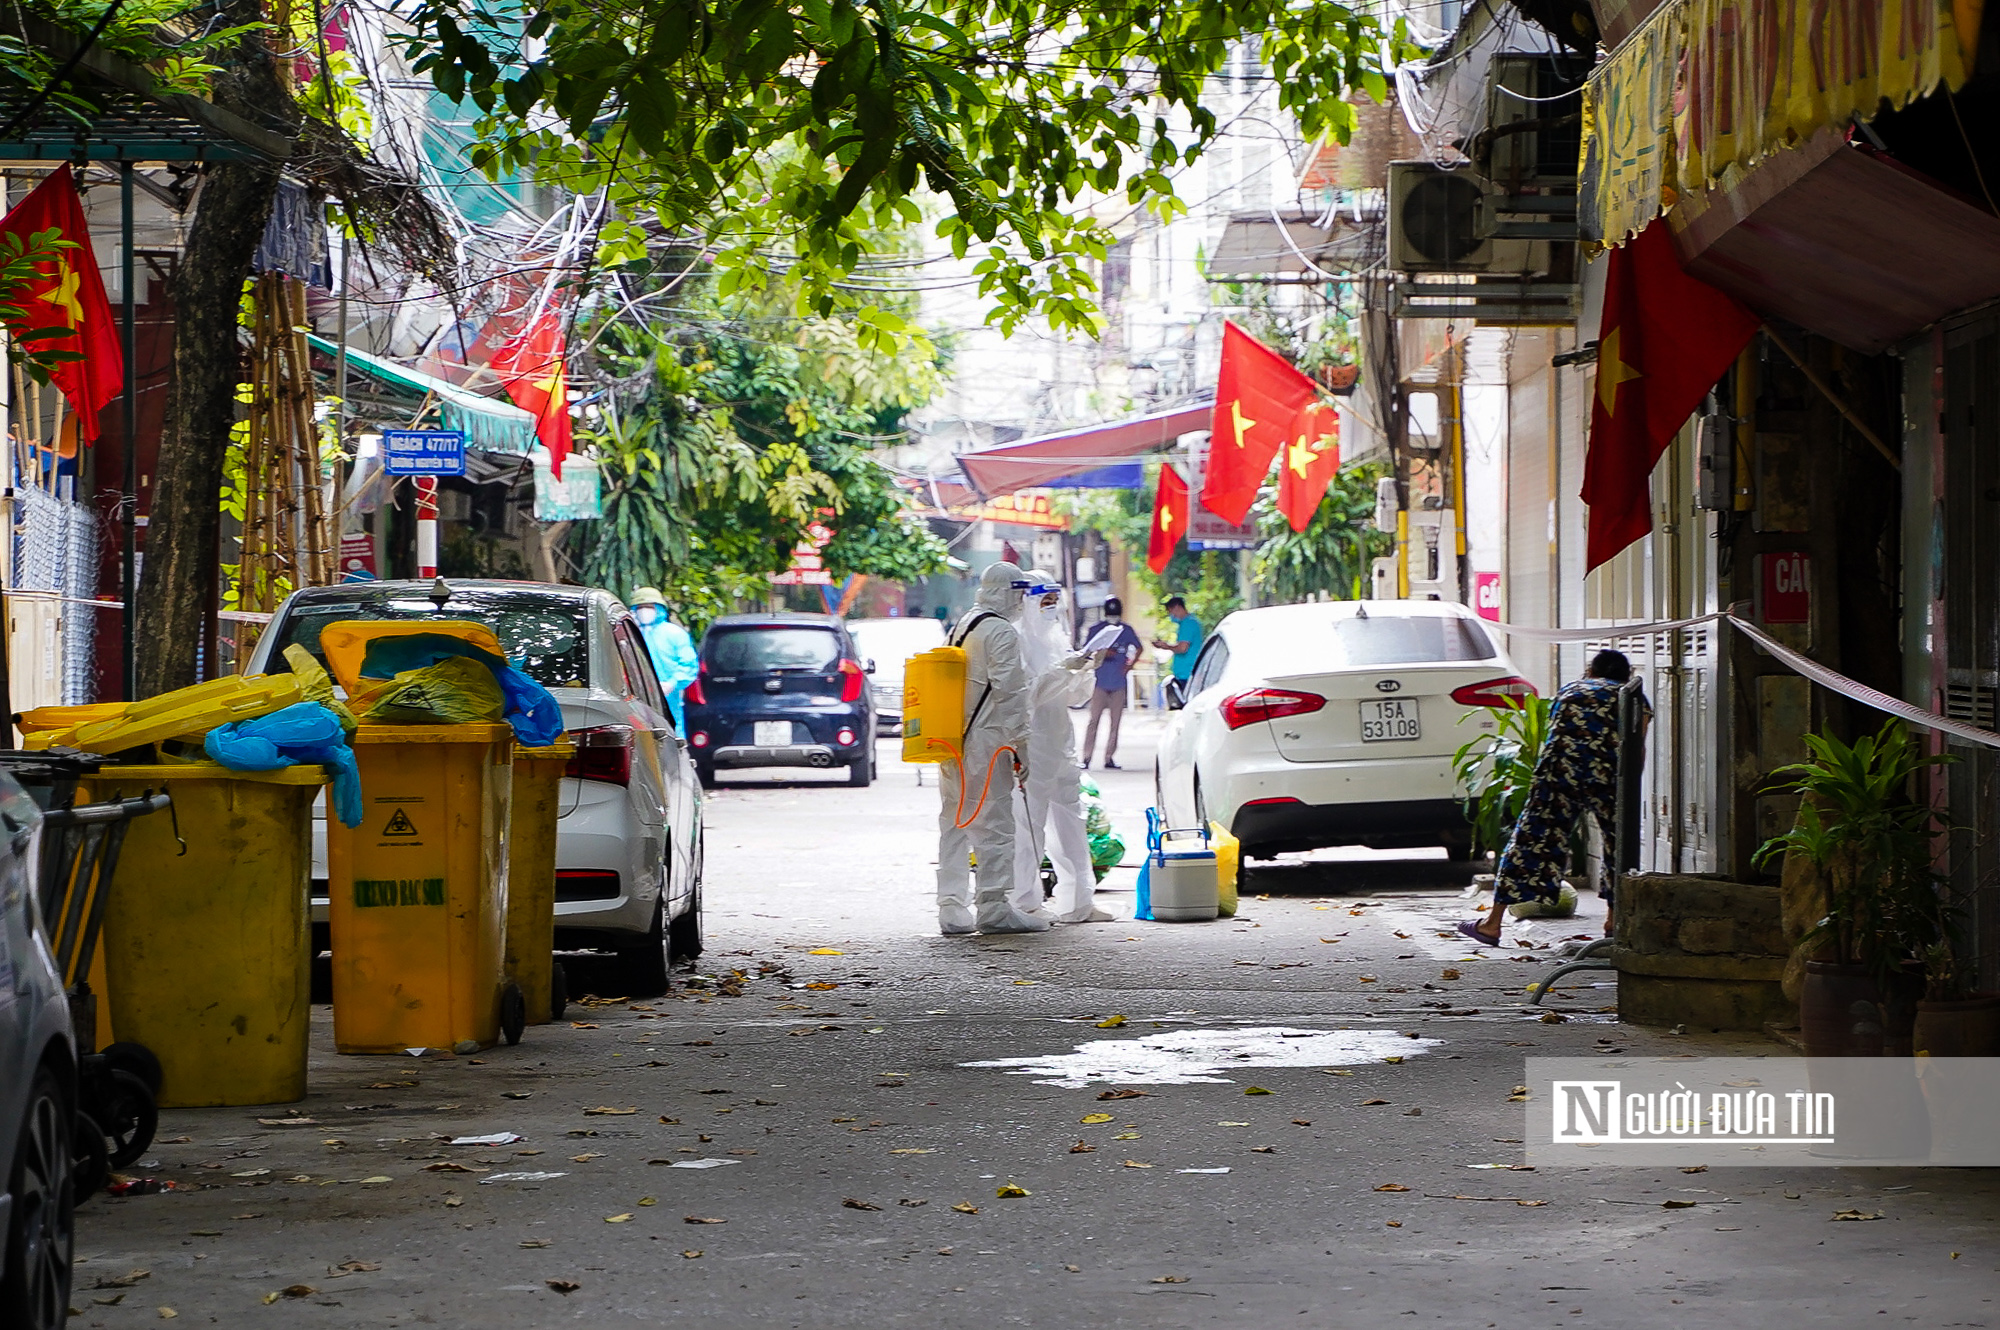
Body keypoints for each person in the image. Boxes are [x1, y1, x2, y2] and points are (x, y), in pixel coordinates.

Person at [1458, 650, 1650, 947]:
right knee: (1619, 846)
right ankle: (1614, 923)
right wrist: (1624, 790)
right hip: (1608, 776)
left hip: (1558, 773)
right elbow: (1637, 747)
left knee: (1528, 842)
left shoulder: (1571, 690)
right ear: (1626, 673)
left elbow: (1556, 736)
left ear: (1591, 670)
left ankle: (1491, 924)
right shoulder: (1632, 695)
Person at [936, 562, 1048, 935]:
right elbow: (1010, 694)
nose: (1021, 601)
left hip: (954, 739)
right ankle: (994, 907)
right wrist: (1022, 744)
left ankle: (951, 907)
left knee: (954, 821)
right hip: (987, 742)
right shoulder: (1000, 631)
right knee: (995, 825)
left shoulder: (964, 624)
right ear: (1008, 592)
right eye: (1018, 593)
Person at [1010, 571, 1114, 924]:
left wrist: (1085, 669)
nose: (1051, 609)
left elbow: (1075, 697)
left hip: (1060, 742)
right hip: (1031, 742)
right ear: (1028, 601)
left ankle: (1079, 902)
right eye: (1045, 602)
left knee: (1072, 822)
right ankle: (1025, 903)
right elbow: (1027, 696)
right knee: (1029, 826)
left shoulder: (1056, 638)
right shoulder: (1017, 640)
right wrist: (1062, 671)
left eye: (1055, 602)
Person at [1078, 597, 1143, 770]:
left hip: (1118, 683)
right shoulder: (1096, 629)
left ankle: (1109, 757)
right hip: (1100, 682)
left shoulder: (1126, 630)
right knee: (1094, 721)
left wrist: (1130, 665)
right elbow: (1086, 652)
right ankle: (1086, 757)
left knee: (1115, 723)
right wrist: (1102, 654)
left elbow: (1139, 647)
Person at [629, 587, 700, 729]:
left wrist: (673, 683)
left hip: (669, 696)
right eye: (641, 607)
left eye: (649, 607)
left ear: (659, 609)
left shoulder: (675, 634)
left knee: (671, 729)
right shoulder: (630, 633)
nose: (645, 611)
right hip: (636, 695)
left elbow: (689, 664)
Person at [1152, 595, 1203, 693]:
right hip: (1186, 673)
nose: (1171, 615)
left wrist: (1165, 646)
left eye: (1170, 611)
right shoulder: (1190, 622)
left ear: (1177, 607)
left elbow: (1182, 648)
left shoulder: (1188, 623)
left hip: (1187, 673)